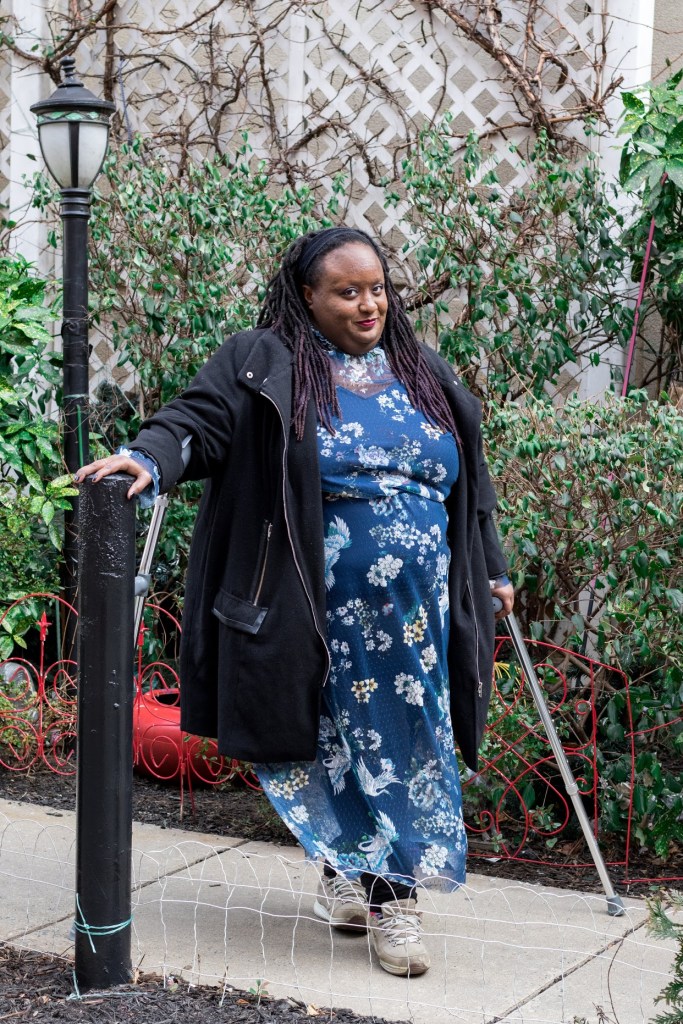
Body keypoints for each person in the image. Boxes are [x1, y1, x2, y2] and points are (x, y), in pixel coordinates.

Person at [75, 226, 513, 978]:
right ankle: (391, 899)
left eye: (377, 287)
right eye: (347, 291)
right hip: (311, 613)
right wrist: (147, 457)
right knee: (328, 747)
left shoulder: (420, 370)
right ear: (306, 296)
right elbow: (198, 420)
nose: (369, 303)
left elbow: (469, 489)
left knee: (402, 745)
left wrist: (492, 570)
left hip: (418, 615)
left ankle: (359, 876)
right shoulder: (264, 363)